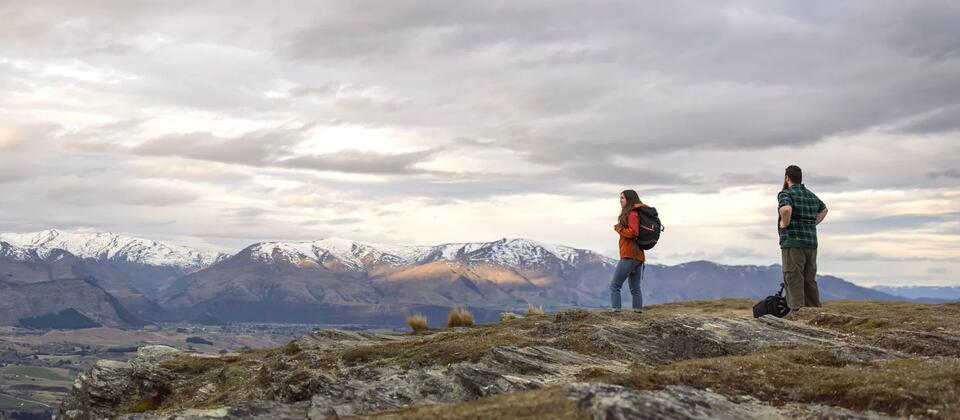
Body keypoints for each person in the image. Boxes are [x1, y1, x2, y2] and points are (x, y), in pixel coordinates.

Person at [778, 165, 828, 310]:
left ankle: (797, 311)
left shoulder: (786, 194)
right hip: (811, 243)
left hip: (793, 243)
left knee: (793, 276)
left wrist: (785, 223)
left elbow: (786, 208)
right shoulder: (810, 195)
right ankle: (814, 310)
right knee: (809, 279)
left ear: (787, 178)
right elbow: (824, 210)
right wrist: (812, 223)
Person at [611, 189, 646, 313]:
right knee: (635, 288)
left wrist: (619, 228)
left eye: (622, 198)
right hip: (639, 256)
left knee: (615, 285)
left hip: (629, 255)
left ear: (629, 199)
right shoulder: (637, 213)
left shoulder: (632, 213)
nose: (620, 200)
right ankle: (638, 314)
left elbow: (633, 232)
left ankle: (616, 313)